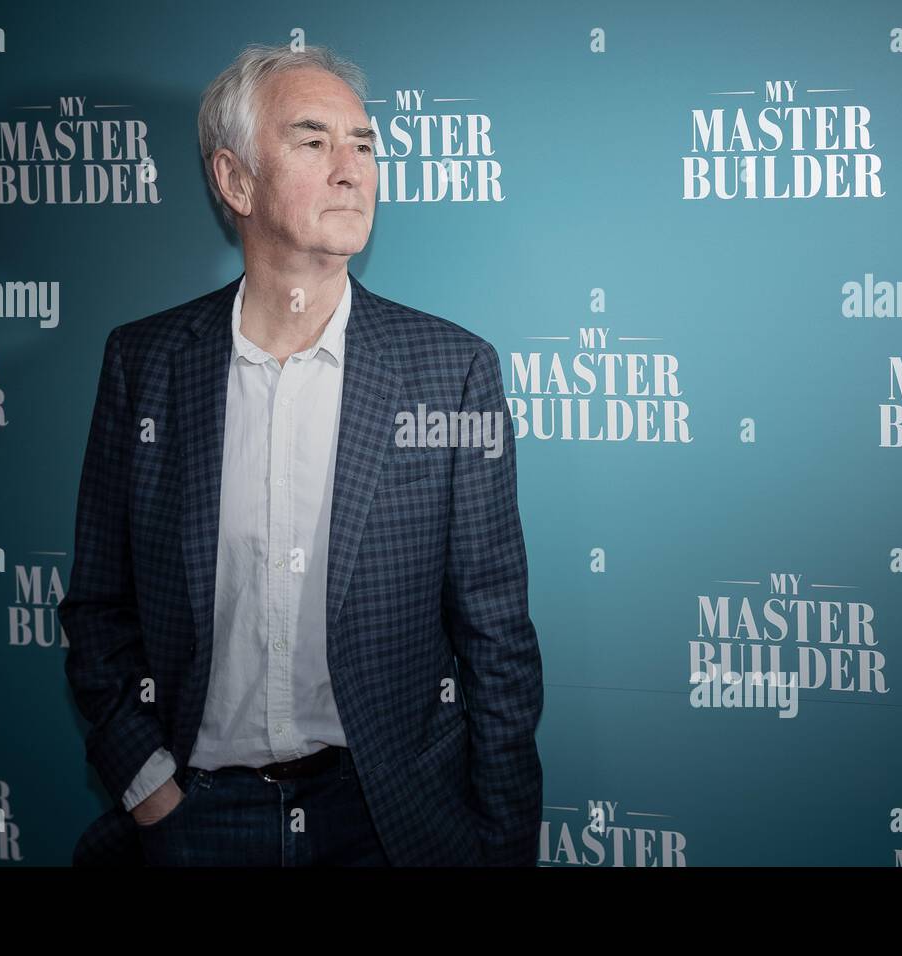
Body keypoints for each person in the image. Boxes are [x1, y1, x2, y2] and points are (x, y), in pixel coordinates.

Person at [58, 41, 543, 866]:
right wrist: (150, 790)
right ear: (235, 181)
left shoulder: (451, 370)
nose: (351, 168)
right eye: (314, 141)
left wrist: (500, 845)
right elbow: (100, 608)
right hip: (196, 819)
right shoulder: (146, 364)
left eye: (363, 144)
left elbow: (496, 638)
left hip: (387, 823)